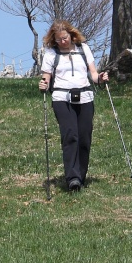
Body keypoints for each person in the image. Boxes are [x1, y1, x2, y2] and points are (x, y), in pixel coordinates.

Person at [38, 20, 108, 192]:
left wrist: (101, 79)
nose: (63, 42)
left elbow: (93, 74)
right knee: (70, 135)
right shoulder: (51, 54)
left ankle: (81, 176)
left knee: (84, 138)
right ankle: (73, 178)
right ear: (54, 40)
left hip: (85, 96)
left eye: (65, 38)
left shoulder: (83, 49)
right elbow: (46, 77)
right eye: (59, 39)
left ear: (71, 35)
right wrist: (44, 85)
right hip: (62, 97)